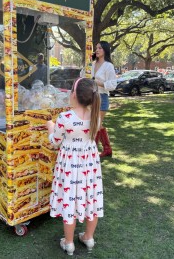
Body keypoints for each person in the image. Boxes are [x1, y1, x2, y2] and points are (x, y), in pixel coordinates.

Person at [46, 78, 103, 256]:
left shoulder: (65, 118)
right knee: (91, 200)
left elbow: (55, 142)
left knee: (70, 200)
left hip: (70, 166)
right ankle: (89, 237)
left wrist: (50, 127)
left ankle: (69, 243)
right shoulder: (96, 117)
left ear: (74, 95)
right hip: (90, 166)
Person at [91, 41, 117, 157]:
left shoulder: (108, 66)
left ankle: (92, 151)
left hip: (102, 97)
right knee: (95, 124)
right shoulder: (91, 64)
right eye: (96, 48)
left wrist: (99, 83)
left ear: (105, 50)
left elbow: (113, 85)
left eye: (100, 48)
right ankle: (107, 149)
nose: (97, 50)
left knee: (96, 124)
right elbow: (83, 77)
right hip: (90, 97)